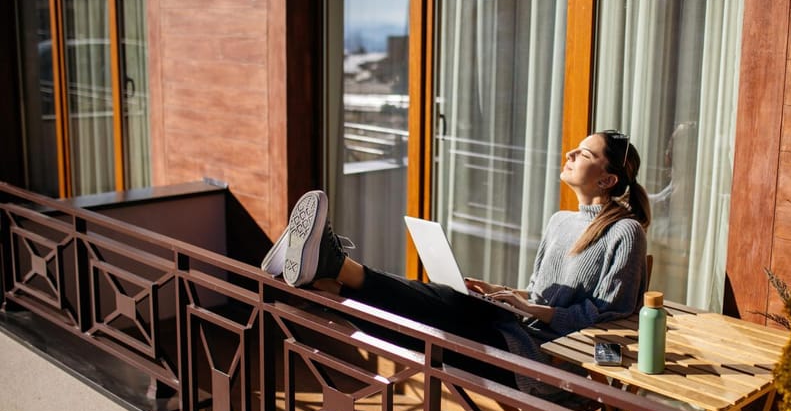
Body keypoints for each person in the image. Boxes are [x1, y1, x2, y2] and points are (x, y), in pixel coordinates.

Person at [264, 130, 651, 392]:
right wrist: (501, 293)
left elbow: (609, 318)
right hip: (513, 327)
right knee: (439, 306)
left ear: (608, 180)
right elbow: (538, 294)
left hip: (545, 358)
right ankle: (327, 277)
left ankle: (332, 270)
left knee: (434, 322)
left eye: (585, 154)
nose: (570, 155)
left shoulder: (625, 232)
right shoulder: (560, 221)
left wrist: (533, 310)